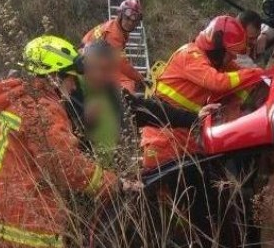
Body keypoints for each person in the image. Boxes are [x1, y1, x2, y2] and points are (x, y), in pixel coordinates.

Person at [0, 35, 139, 248]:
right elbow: (66, 164)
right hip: (20, 222)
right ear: (54, 77)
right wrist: (116, 184)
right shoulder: (42, 107)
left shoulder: (13, 98)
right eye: (70, 79)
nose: (74, 87)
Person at [140, 15, 263, 169]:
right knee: (164, 184)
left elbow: (241, 78)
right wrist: (255, 73)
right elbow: (217, 82)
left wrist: (261, 80)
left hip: (186, 129)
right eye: (230, 52)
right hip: (163, 133)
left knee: (197, 182)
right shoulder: (190, 55)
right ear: (218, 49)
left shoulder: (216, 61)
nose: (233, 57)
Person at [64, 40, 198, 167]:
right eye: (96, 68)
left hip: (118, 176)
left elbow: (150, 110)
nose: (101, 75)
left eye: (107, 69)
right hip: (86, 180)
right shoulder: (67, 93)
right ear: (83, 65)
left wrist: (195, 119)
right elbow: (60, 147)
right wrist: (84, 124)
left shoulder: (113, 93)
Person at [82, 0, 144, 93]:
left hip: (92, 57)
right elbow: (122, 64)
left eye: (134, 21)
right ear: (120, 15)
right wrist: (139, 78)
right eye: (127, 19)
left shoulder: (116, 27)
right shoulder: (114, 34)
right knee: (127, 83)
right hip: (88, 62)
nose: (130, 23)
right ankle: (122, 107)